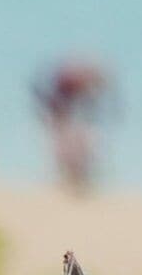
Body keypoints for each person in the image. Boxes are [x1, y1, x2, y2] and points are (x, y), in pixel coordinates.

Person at [34, 57, 111, 195]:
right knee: (69, 144)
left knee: (77, 144)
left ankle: (77, 179)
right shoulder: (67, 81)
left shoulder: (79, 83)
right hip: (63, 113)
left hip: (68, 115)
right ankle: (71, 179)